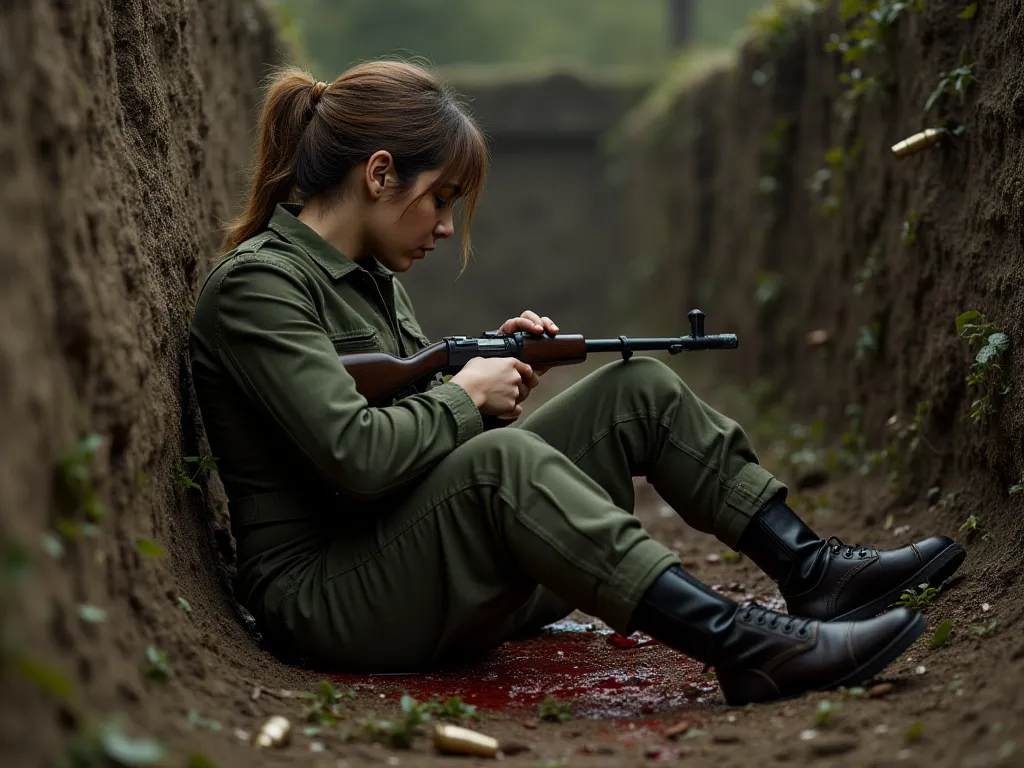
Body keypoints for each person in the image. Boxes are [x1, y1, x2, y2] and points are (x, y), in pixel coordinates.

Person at [188, 60, 966, 707]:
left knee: (636, 390)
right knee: (504, 466)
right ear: (380, 173)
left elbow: (414, 448)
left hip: (404, 560)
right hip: (332, 599)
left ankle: (812, 573)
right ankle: (747, 648)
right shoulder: (258, 287)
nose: (448, 228)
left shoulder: (371, 279)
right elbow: (355, 461)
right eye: (442, 199)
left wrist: (491, 378)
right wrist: (465, 395)